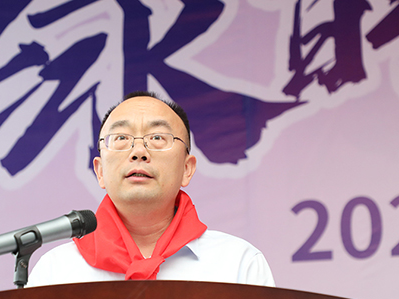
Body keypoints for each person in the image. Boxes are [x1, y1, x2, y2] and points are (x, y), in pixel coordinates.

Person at [27, 91, 274, 287]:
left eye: (157, 138)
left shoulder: (238, 265)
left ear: (187, 169)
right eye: (121, 138)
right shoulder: (56, 272)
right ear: (100, 171)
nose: (139, 152)